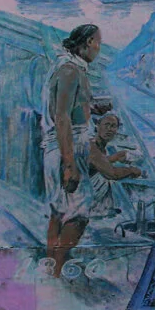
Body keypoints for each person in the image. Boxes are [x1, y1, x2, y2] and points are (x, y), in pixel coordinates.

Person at [43, 24, 103, 275]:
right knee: (79, 215)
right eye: (97, 42)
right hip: (66, 147)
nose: (99, 48)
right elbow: (62, 117)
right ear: (88, 42)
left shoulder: (71, 68)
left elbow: (72, 108)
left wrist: (92, 107)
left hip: (61, 146)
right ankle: (58, 269)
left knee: (59, 210)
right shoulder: (69, 71)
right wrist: (69, 164)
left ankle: (50, 268)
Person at [81, 110, 144, 221]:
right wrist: (131, 170)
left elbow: (97, 163)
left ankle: (102, 209)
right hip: (80, 194)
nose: (109, 129)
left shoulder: (100, 147)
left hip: (84, 190)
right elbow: (112, 173)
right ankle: (99, 210)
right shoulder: (91, 145)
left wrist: (115, 157)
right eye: (106, 125)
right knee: (110, 177)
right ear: (98, 126)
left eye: (113, 126)